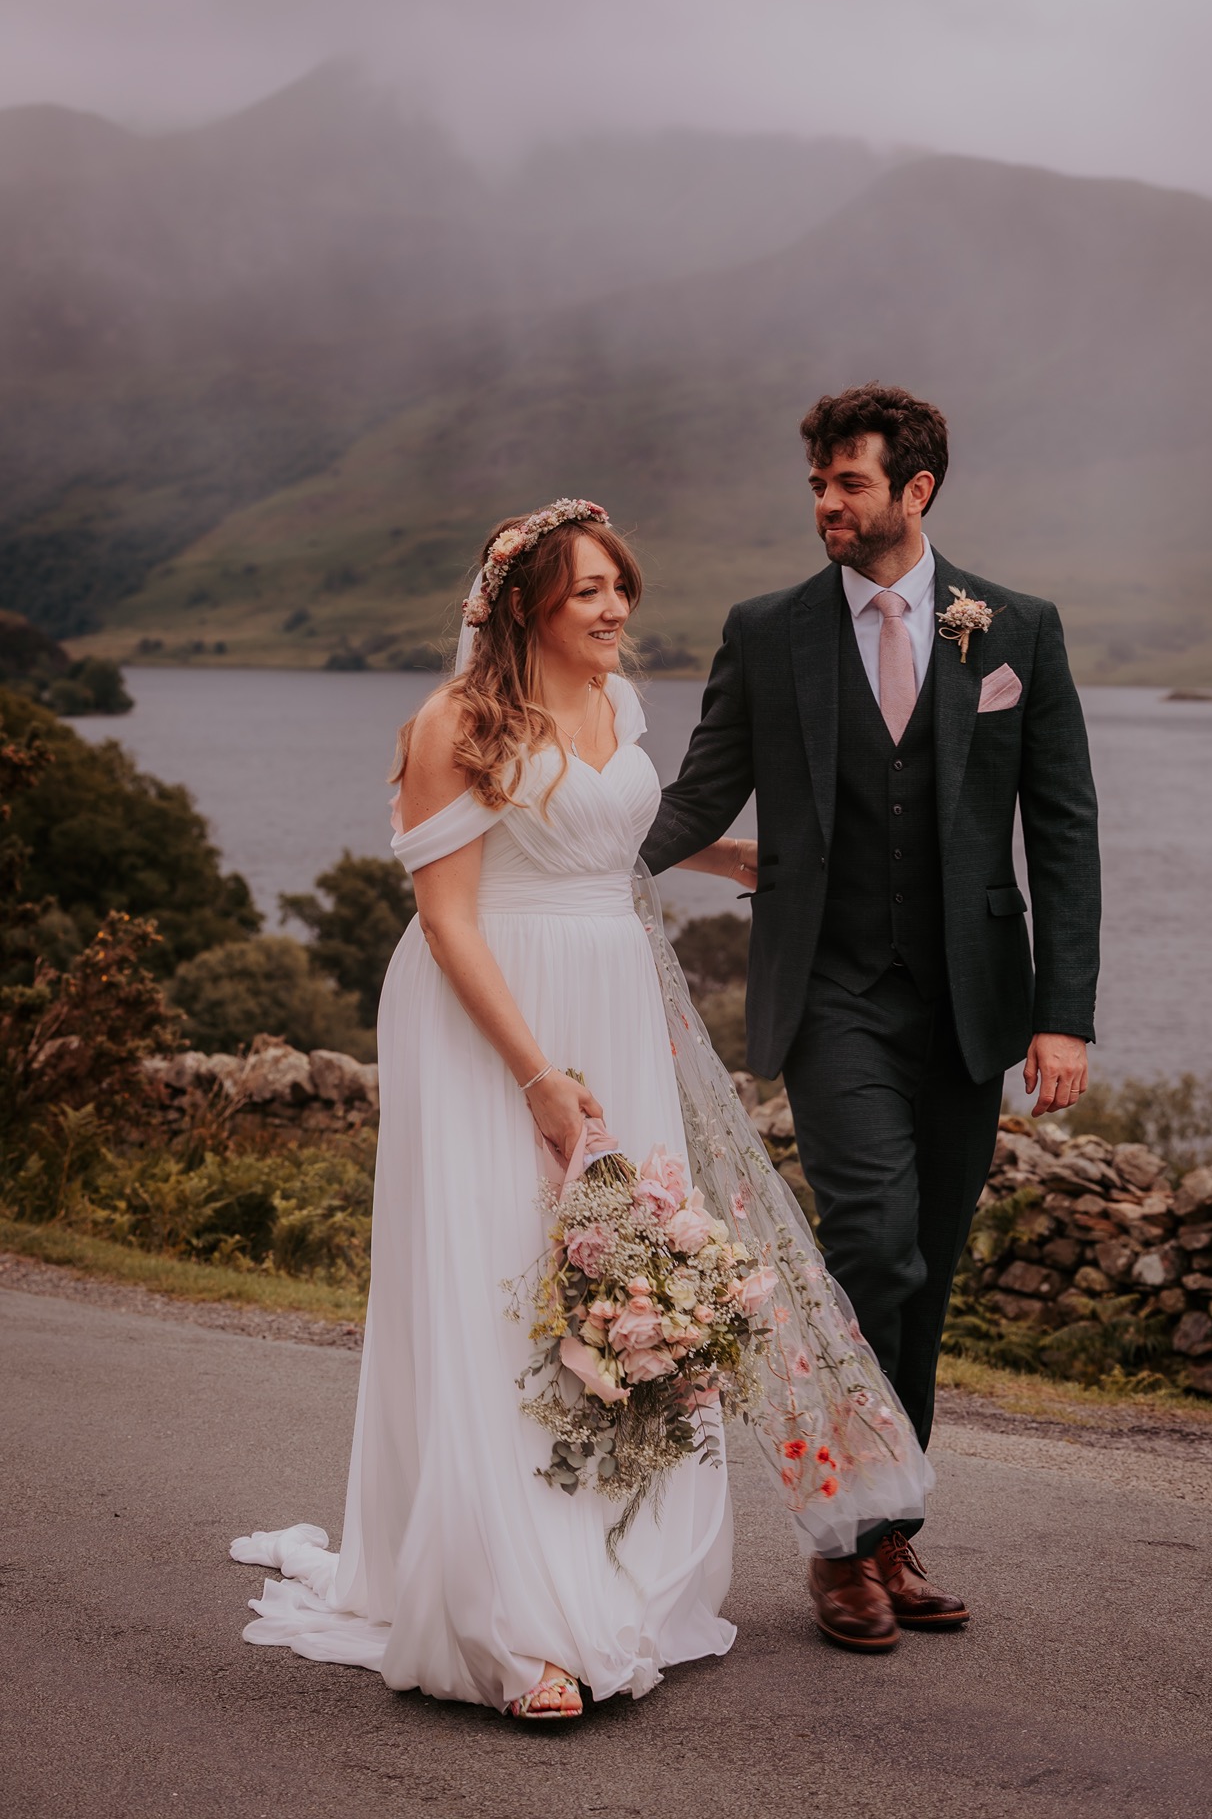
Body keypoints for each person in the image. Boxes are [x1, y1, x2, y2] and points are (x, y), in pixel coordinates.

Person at [231, 498, 931, 1716]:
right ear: (524, 609)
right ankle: (512, 1624)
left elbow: (604, 837)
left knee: (625, 1280)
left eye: (622, 589)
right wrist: (538, 1076)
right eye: (589, 593)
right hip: (493, 1016)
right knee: (503, 1281)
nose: (616, 611)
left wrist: (734, 861)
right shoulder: (451, 722)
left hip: (614, 1000)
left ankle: (618, 1570)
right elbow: (448, 915)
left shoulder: (619, 705)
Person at [641, 383, 1101, 1651]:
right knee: (873, 1248)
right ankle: (838, 1548)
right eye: (816, 486)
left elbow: (1060, 831)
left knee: (925, 1280)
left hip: (968, 1006)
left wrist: (1065, 1017)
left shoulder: (1015, 628)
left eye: (847, 484)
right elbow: (698, 794)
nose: (826, 506)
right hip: (832, 992)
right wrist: (578, 861)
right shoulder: (768, 629)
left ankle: (889, 1533)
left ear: (916, 491)